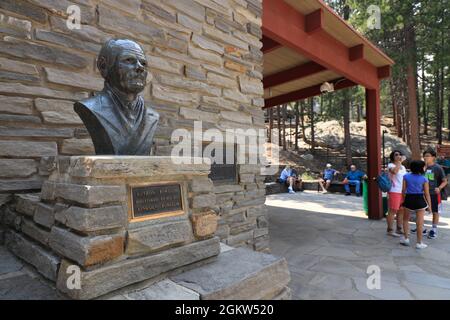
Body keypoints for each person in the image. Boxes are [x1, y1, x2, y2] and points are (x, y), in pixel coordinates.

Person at [400, 160, 432, 249]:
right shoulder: (424, 178)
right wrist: (429, 206)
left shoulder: (406, 176)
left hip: (409, 199)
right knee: (420, 222)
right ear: (421, 168)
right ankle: (419, 243)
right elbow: (427, 194)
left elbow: (403, 191)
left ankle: (406, 239)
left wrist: (404, 200)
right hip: (420, 200)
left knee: (405, 219)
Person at [423, 149, 448, 239]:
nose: (426, 157)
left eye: (428, 156)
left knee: (435, 212)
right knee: (421, 211)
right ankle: (422, 228)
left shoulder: (437, 167)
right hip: (422, 194)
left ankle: (434, 230)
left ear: (433, 157)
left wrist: (439, 188)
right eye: (425, 156)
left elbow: (445, 181)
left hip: (433, 194)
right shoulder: (422, 167)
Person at [386, 151, 407, 237]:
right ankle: (390, 230)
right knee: (392, 210)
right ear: (392, 157)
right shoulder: (391, 165)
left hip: (402, 191)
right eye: (396, 155)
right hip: (394, 190)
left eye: (400, 154)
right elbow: (394, 172)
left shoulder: (403, 167)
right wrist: (399, 162)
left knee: (401, 210)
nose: (399, 156)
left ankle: (399, 229)